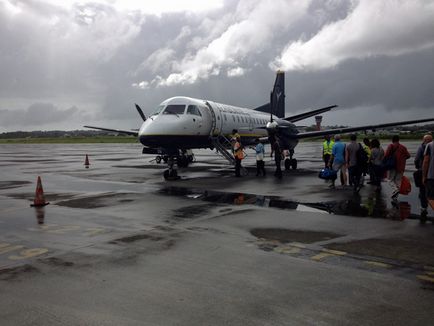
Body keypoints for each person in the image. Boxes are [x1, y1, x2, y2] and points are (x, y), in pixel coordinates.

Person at [384, 135, 410, 200]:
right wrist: (402, 159)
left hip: (392, 166)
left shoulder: (391, 146)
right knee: (398, 180)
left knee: (390, 179)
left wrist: (384, 162)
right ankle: (395, 195)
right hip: (401, 166)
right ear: (398, 140)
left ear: (392, 140)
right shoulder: (403, 147)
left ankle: (395, 189)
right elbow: (408, 156)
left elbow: (386, 155)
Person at [422, 137, 434, 212]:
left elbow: (426, 161)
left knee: (430, 197)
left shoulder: (430, 145)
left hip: (432, 176)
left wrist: (424, 176)